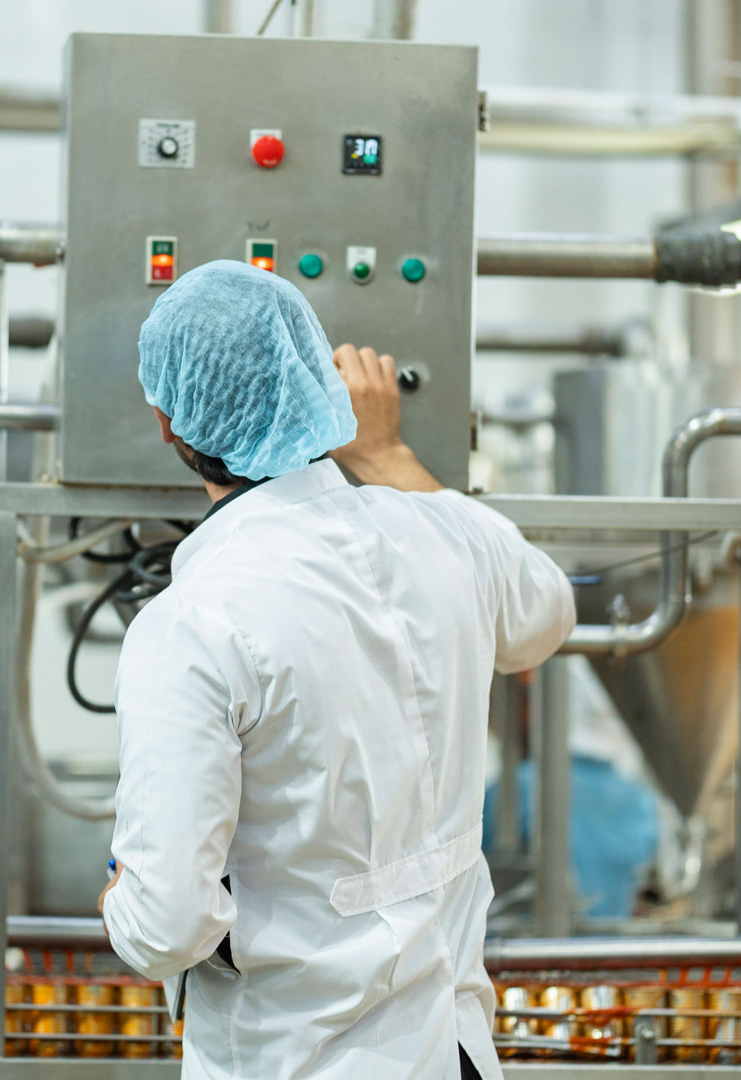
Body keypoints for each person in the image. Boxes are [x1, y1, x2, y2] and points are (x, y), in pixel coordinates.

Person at [97, 260, 575, 1080]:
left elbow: (167, 925)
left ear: (166, 419)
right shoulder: (445, 537)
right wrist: (387, 453)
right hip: (452, 1056)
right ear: (323, 383)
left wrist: (120, 900)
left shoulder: (191, 624)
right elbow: (547, 610)